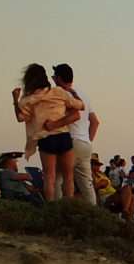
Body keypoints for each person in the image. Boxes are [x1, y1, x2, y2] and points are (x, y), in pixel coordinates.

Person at [11, 64, 85, 201]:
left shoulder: (28, 100)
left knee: (49, 177)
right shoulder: (58, 92)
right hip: (63, 136)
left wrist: (15, 100)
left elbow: (20, 118)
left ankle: (50, 209)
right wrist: (74, 94)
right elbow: (80, 106)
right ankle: (68, 207)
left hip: (46, 139)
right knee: (68, 176)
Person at [51, 64, 99, 205]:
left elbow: (71, 116)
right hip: (84, 144)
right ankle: (94, 215)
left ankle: (58, 213)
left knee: (57, 180)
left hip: (69, 141)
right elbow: (95, 122)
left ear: (58, 78)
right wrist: (88, 140)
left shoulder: (60, 94)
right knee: (86, 185)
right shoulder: (84, 95)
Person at [91, 155, 134, 220]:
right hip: (106, 197)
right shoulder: (91, 175)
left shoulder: (101, 174)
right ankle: (126, 214)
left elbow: (111, 185)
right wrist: (102, 183)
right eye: (96, 165)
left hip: (113, 193)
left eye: (99, 165)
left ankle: (128, 217)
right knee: (128, 191)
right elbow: (94, 187)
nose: (98, 166)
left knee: (132, 196)